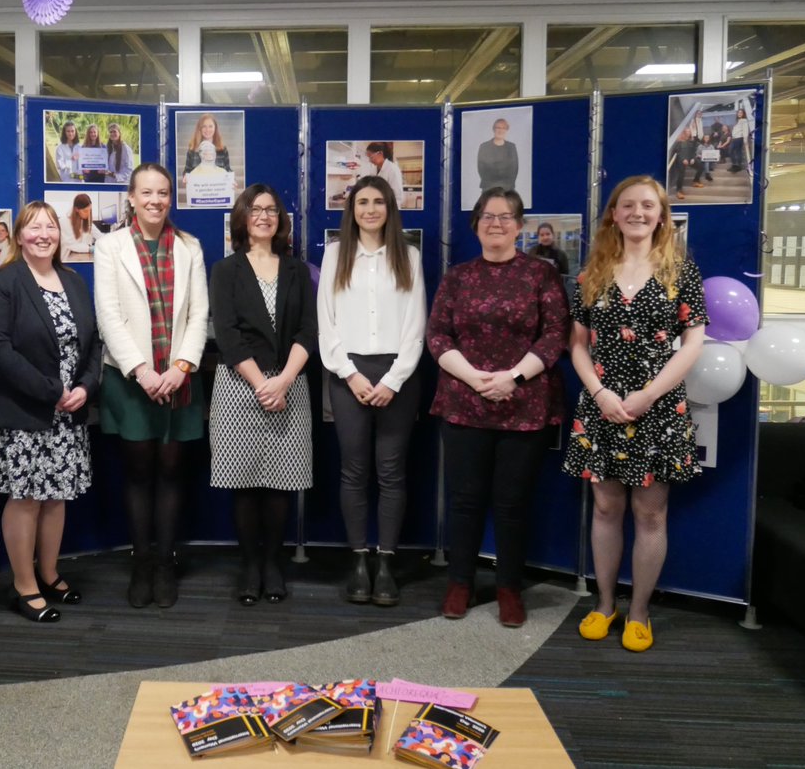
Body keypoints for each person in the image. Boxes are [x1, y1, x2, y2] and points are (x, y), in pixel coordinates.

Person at [564, 175, 707, 652]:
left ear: (662, 216)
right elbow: (578, 345)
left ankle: (640, 612)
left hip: (659, 407)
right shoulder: (593, 274)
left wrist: (649, 394)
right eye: (628, 205)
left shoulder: (682, 272)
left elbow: (694, 344)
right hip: (602, 403)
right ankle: (605, 605)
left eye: (648, 206)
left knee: (650, 514)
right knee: (606, 508)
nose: (638, 213)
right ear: (614, 214)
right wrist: (600, 392)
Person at [426, 187, 569, 627]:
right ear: (476, 225)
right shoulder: (457, 277)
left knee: (512, 503)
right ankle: (460, 583)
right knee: (465, 500)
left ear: (520, 226)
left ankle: (509, 587)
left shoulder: (541, 275)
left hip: (524, 405)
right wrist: (473, 378)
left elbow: (554, 336)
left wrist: (512, 378)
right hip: (463, 402)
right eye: (488, 216)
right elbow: (437, 336)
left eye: (506, 217)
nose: (496, 224)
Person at [0, 201, 101, 623]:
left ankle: (49, 573)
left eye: (50, 226)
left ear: (60, 234)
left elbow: (93, 343)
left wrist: (85, 386)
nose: (43, 234)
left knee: (56, 498)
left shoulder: (73, 281)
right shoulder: (2, 282)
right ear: (18, 236)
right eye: (34, 227)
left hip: (68, 413)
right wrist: (52, 391)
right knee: (26, 498)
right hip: (24, 412)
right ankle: (24, 585)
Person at [94, 163, 208, 608]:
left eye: (163, 192)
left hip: (178, 377)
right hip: (130, 378)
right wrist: (142, 371)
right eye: (147, 192)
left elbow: (199, 314)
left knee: (172, 470)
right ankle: (141, 563)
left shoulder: (190, 247)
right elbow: (108, 315)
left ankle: (165, 563)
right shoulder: (110, 246)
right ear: (131, 197)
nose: (156, 200)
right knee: (139, 472)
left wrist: (181, 366)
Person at [317, 176, 426, 606]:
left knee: (392, 471)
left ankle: (386, 564)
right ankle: (359, 562)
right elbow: (326, 322)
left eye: (378, 202)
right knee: (354, 471)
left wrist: (393, 380)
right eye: (362, 202)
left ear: (390, 208)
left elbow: (417, 325)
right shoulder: (334, 255)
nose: (370, 210)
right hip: (350, 375)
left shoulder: (410, 257)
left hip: (398, 374)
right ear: (352, 210)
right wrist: (351, 374)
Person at [209, 184, 316, 605]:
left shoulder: (297, 270)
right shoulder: (225, 270)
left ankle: (274, 563)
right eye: (256, 209)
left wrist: (284, 379)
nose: (264, 216)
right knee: (245, 482)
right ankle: (249, 565)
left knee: (280, 484)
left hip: (289, 383)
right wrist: (261, 383)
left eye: (272, 209)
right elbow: (228, 335)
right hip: (240, 386)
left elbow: (309, 329)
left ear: (280, 220)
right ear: (243, 217)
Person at [476, 118, 518, 193]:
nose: (500, 130)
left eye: (503, 128)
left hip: (508, 188)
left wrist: (506, 186)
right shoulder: (484, 147)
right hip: (488, 188)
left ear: (506, 130)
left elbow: (514, 169)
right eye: (498, 127)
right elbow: (481, 169)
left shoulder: (511, 147)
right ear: (494, 129)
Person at [61, 193, 102, 260]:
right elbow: (72, 245)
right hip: (66, 260)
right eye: (85, 211)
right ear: (76, 209)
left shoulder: (86, 221)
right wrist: (90, 248)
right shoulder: (64, 222)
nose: (88, 213)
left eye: (90, 210)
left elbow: (99, 235)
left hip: (80, 257)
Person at [669, 127, 701, 199]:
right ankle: (679, 191)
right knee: (681, 174)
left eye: (689, 131)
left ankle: (695, 181)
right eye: (687, 131)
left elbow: (693, 151)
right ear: (684, 132)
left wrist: (693, 158)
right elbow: (677, 152)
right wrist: (683, 159)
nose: (688, 132)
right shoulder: (679, 141)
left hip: (690, 159)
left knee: (700, 167)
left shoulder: (691, 141)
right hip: (681, 160)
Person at [730, 107, 752, 173]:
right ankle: (734, 165)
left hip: (739, 138)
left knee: (737, 152)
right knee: (731, 151)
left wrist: (745, 140)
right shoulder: (738, 120)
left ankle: (738, 166)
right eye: (738, 112)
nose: (739, 114)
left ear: (743, 114)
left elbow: (745, 131)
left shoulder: (744, 120)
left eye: (741, 112)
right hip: (734, 138)